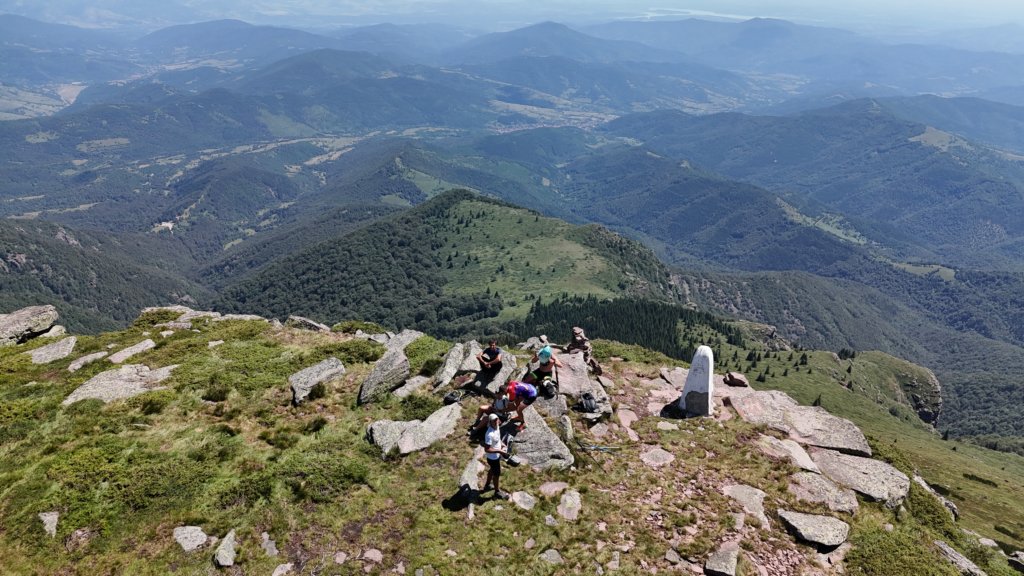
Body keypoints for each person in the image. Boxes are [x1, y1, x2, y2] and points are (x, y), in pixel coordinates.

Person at [482, 413, 509, 499]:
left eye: (496, 419)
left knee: (492, 469)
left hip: (496, 456)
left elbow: (498, 439)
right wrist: (499, 451)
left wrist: (503, 444)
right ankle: (497, 492)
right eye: (494, 421)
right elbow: (487, 449)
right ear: (490, 422)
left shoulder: (497, 427)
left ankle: (487, 485)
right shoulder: (489, 434)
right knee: (496, 474)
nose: (496, 421)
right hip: (492, 458)